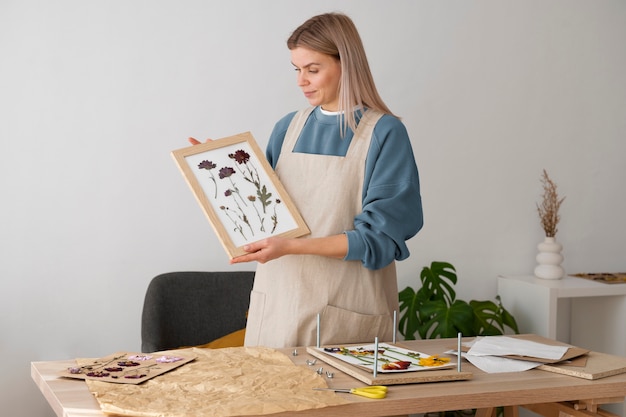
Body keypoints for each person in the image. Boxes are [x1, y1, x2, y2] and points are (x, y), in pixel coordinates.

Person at [190, 12, 423, 348]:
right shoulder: (288, 128)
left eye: (313, 69)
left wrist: (292, 247)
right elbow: (265, 214)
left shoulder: (385, 133)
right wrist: (221, 170)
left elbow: (379, 240)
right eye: (297, 69)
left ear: (347, 65)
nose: (302, 81)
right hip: (278, 307)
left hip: (346, 314)